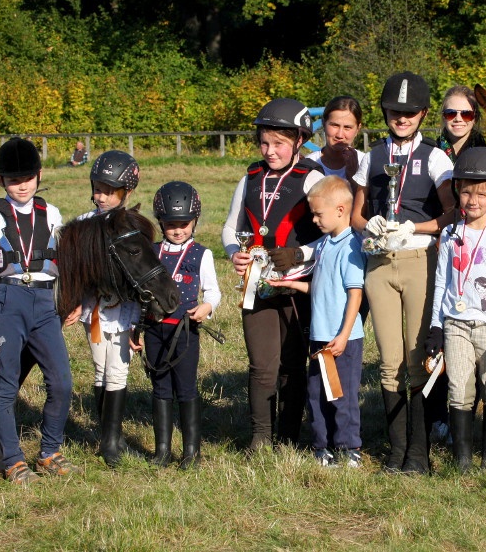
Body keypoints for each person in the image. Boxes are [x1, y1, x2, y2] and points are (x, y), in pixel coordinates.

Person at [351, 71, 455, 474]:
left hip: (418, 259)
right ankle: (396, 452)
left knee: (416, 358)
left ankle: (419, 452)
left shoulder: (434, 156)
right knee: (388, 360)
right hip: (379, 262)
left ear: (423, 114)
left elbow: (452, 212)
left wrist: (416, 227)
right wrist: (371, 225)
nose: (402, 118)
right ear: (386, 112)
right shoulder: (371, 156)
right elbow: (359, 213)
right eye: (396, 111)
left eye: (410, 113)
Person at [0, 138, 78, 484]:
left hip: (45, 304)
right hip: (9, 302)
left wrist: (72, 300)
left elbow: (64, 264)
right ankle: (13, 460)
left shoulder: (53, 214)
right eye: (14, 180)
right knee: (5, 386)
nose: (22, 186)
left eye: (28, 178)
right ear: (1, 181)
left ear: (39, 175)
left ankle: (49, 452)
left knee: (61, 382)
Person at [221, 98, 324, 451]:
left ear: (298, 141)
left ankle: (290, 437)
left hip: (297, 286)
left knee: (293, 366)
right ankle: (261, 439)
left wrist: (298, 253)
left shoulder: (311, 178)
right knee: (262, 366)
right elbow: (229, 228)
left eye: (278, 144)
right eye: (264, 143)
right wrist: (234, 253)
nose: (270, 151)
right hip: (257, 287)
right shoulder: (249, 178)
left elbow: (331, 234)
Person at [426, 147, 486, 472]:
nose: (473, 200)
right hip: (455, 324)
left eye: (481, 193)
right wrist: (436, 326)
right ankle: (462, 459)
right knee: (459, 388)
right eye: (466, 192)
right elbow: (441, 283)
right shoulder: (450, 234)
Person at [268, 176, 366, 468]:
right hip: (320, 337)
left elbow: (355, 294)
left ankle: (349, 448)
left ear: (340, 210)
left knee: (342, 395)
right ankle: (322, 447)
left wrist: (344, 335)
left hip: (341, 340)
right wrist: (287, 284)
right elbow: (319, 287)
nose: (314, 219)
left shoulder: (351, 247)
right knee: (318, 393)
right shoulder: (324, 244)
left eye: (317, 214)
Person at [63, 150, 142, 467]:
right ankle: (105, 432)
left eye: (108, 191)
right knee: (99, 367)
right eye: (97, 188)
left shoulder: (133, 225)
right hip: (93, 310)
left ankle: (112, 439)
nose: (101, 196)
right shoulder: (83, 224)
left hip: (123, 311)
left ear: (126, 192)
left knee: (117, 370)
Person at [146, 181, 221, 469]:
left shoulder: (202, 254)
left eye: (184, 224)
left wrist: (207, 307)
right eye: (170, 225)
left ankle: (192, 452)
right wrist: (134, 329)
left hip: (184, 330)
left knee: (186, 388)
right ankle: (162, 450)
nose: (178, 230)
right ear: (160, 223)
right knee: (160, 387)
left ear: (195, 221)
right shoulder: (151, 252)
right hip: (155, 328)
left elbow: (213, 290)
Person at [305, 96, 366, 185]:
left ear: (358, 129)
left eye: (347, 127)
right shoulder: (308, 164)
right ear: (323, 123)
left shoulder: (366, 163)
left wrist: (354, 175)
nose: (340, 135)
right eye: (335, 125)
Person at [435, 85, 486, 160]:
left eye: (466, 114)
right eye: (450, 113)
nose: (458, 119)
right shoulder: (431, 154)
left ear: (476, 117)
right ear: (443, 117)